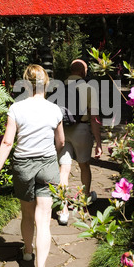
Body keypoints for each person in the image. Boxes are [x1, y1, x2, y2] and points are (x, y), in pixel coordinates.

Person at [0, 65, 64, 267]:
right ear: (47, 82)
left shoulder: (16, 108)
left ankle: (27, 253)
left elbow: (7, 142)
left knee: (27, 213)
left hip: (23, 166)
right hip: (48, 165)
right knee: (44, 219)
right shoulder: (54, 110)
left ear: (25, 82)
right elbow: (60, 143)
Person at [58, 59, 102, 224]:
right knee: (84, 166)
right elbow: (94, 117)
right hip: (81, 130)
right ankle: (84, 205)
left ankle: (62, 209)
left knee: (64, 169)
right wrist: (98, 142)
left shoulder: (58, 87)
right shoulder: (89, 89)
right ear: (84, 72)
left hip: (62, 130)